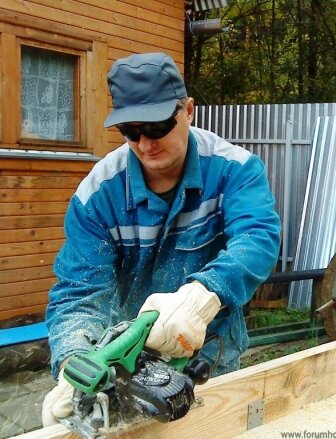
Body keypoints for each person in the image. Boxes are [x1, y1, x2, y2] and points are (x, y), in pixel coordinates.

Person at [41, 52, 281, 426]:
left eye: (156, 128)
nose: (145, 144)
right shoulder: (98, 195)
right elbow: (79, 290)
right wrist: (75, 359)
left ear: (188, 111)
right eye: (131, 132)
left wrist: (204, 296)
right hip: (129, 366)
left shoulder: (235, 169)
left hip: (212, 351)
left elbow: (257, 237)